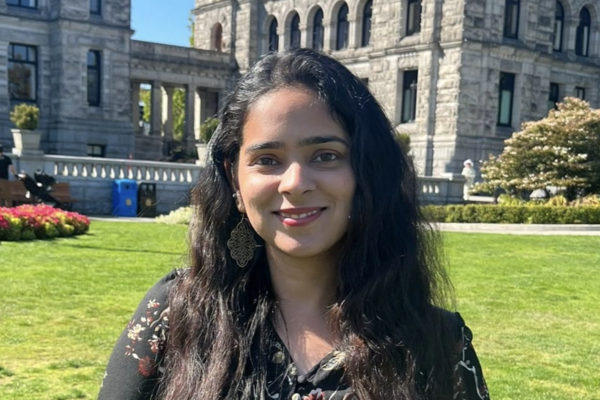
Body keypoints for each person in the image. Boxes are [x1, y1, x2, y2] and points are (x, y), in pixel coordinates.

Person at [99, 48, 490, 400]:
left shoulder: (439, 344)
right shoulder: (175, 315)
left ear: (365, 171)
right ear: (234, 179)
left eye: (325, 155)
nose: (296, 184)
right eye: (267, 159)